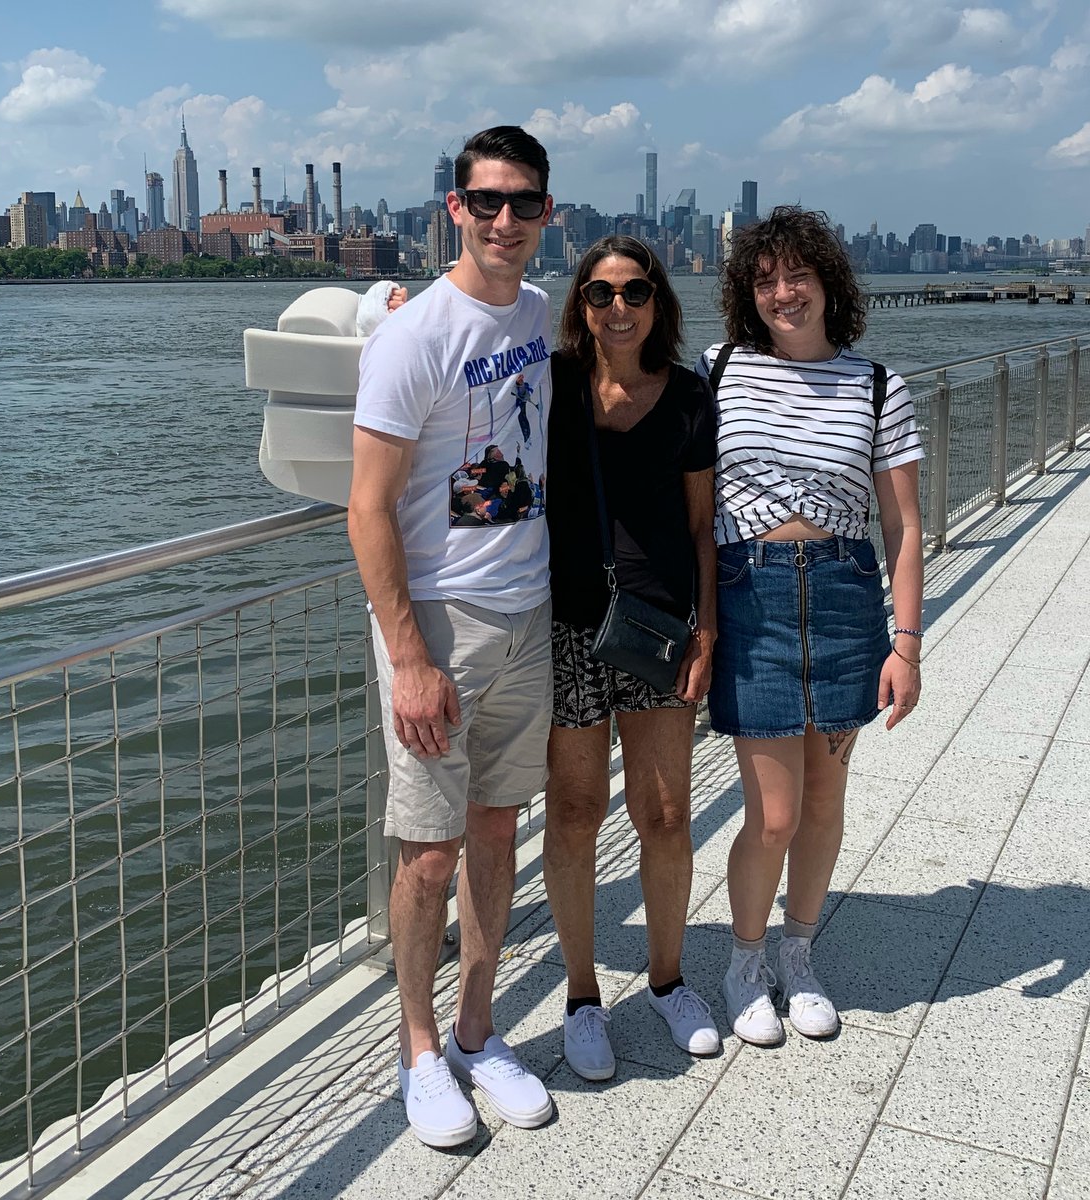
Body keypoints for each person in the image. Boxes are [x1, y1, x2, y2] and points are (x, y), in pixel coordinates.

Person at [348, 125, 556, 1148]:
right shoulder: (414, 334)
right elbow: (368, 508)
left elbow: (508, 456)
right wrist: (410, 656)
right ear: (454, 210)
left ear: (547, 214)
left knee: (493, 833)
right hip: (442, 623)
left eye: (523, 203)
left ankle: (480, 1030)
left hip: (527, 611)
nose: (504, 220)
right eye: (487, 201)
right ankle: (419, 1049)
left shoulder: (541, 311)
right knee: (426, 856)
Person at [698, 206, 924, 1046]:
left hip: (843, 594)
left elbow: (901, 527)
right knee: (775, 813)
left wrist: (907, 642)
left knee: (826, 798)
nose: (783, 293)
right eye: (764, 280)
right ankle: (744, 959)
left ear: (830, 283)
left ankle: (799, 951)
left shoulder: (876, 385)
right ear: (746, 293)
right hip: (750, 595)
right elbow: (621, 397)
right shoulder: (717, 369)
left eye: (798, 276)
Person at [542, 236, 719, 1080]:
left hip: (657, 629)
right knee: (575, 813)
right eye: (603, 293)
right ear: (581, 304)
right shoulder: (551, 389)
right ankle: (582, 997)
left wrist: (707, 631)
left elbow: (700, 526)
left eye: (636, 292)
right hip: (569, 628)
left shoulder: (689, 396)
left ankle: (668, 979)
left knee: (666, 817)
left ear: (659, 304)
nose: (620, 308)